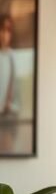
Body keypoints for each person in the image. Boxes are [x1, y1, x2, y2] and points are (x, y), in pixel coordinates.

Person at [0, 13, 19, 152]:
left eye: (8, 30)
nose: (4, 34)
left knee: (7, 149)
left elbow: (14, 84)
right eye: (2, 30)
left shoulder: (12, 56)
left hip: (7, 114)